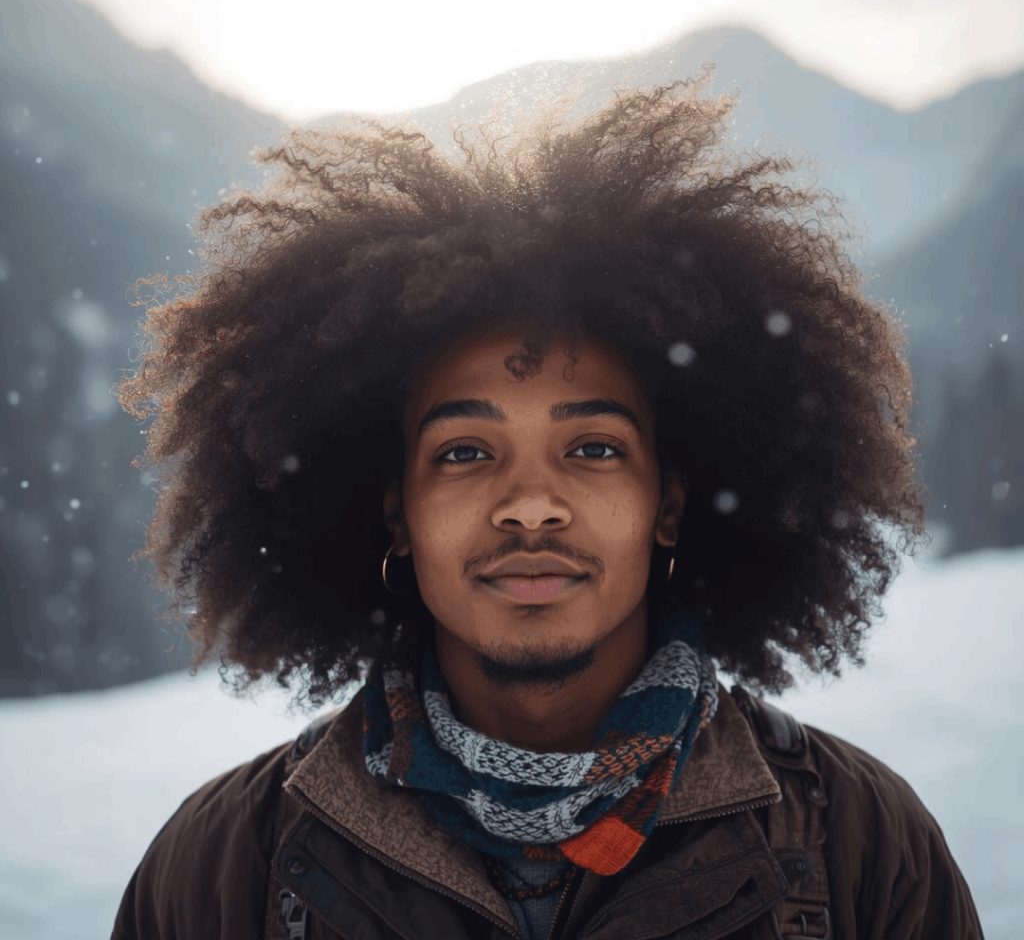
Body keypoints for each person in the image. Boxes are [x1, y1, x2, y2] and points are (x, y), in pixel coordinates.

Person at [113, 77, 983, 939]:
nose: (531, 507)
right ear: (396, 516)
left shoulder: (862, 850)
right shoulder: (221, 870)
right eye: (464, 453)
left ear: (667, 507)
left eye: (593, 449)